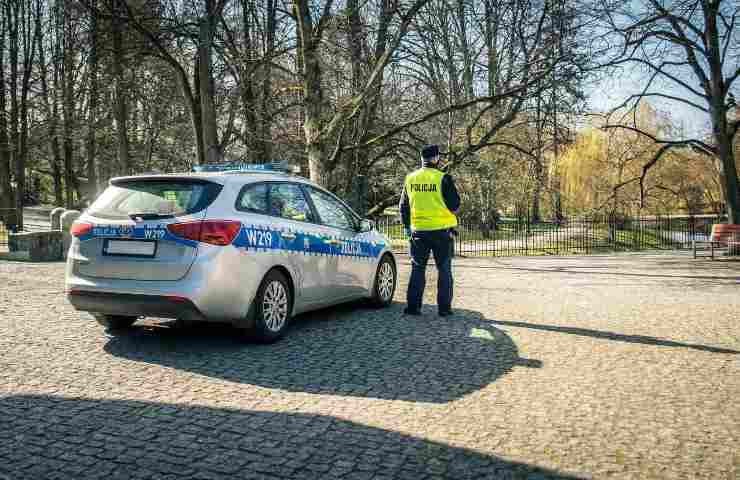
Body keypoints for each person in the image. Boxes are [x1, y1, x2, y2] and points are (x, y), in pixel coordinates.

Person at [399, 144, 460, 317]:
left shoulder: (410, 178)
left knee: (417, 268)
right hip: (441, 231)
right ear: (435, 158)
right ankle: (444, 309)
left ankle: (413, 307)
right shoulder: (443, 178)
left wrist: (406, 226)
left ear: (422, 159)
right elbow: (455, 205)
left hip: (418, 231)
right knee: (444, 269)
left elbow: (403, 206)